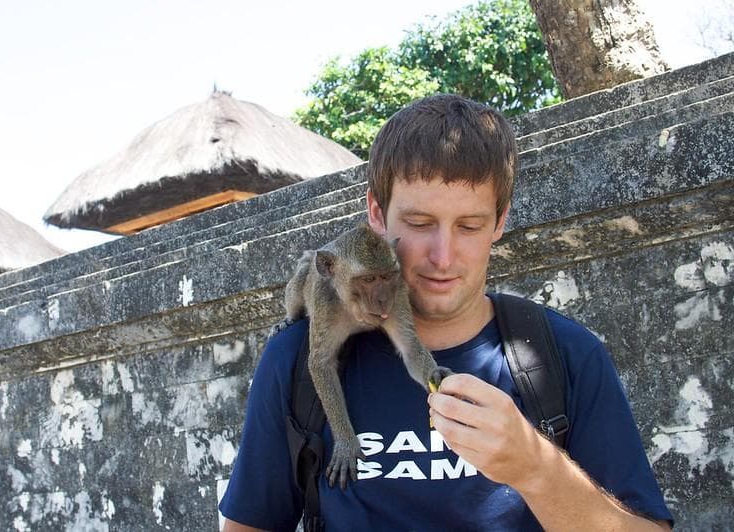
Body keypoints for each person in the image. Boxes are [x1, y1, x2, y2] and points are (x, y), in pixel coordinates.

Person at [219, 94, 673, 531]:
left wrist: (537, 469)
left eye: (469, 226)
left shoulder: (566, 356)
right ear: (377, 215)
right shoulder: (293, 359)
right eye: (418, 224)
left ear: (500, 222)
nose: (442, 256)